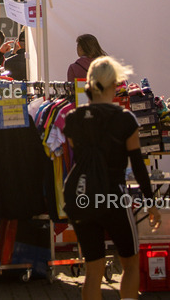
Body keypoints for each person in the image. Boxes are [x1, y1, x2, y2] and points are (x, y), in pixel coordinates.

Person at [65, 57, 160, 300]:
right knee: (129, 264)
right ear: (114, 84)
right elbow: (137, 166)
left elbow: (78, 155)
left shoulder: (73, 119)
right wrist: (151, 203)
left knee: (93, 269)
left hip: (81, 196)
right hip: (113, 197)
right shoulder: (125, 119)